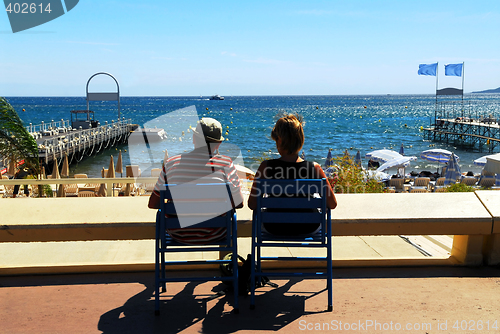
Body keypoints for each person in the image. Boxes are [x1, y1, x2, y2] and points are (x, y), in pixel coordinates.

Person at [148, 117, 244, 244]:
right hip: (216, 232)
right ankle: (228, 261)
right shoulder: (226, 164)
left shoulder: (171, 163)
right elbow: (239, 203)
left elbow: (153, 203)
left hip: (178, 233)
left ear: (194, 138)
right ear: (218, 144)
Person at [248, 113, 337, 236]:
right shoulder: (315, 168)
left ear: (279, 141)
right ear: (300, 140)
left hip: (274, 227)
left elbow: (252, 204)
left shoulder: (265, 167)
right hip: (308, 227)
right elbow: (332, 204)